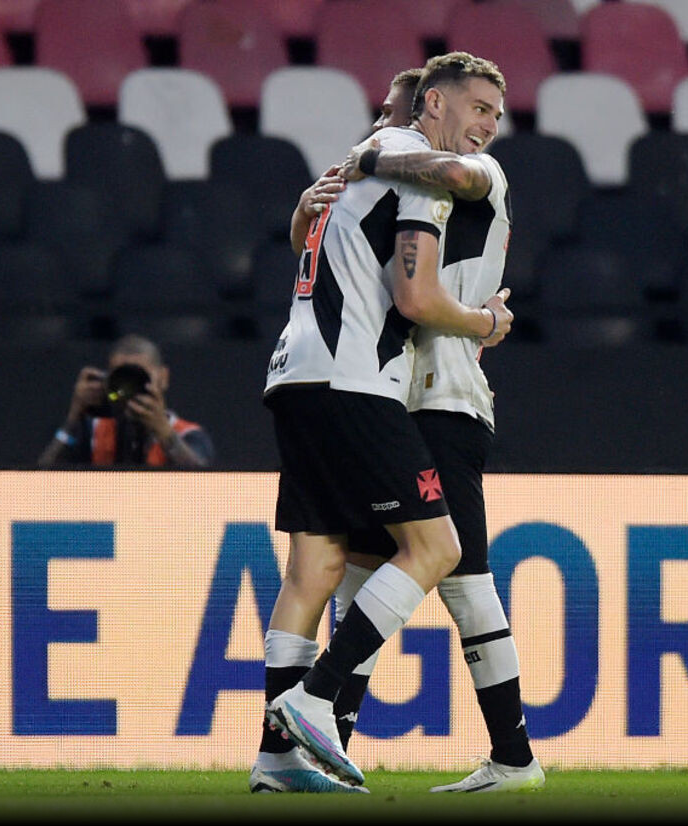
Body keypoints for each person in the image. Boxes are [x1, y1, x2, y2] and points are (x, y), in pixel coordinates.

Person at [255, 52, 514, 793]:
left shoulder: (342, 176)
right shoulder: (411, 165)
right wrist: (485, 322)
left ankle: (276, 758)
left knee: (314, 570)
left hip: (292, 370)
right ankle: (315, 697)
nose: (486, 128)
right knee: (436, 547)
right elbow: (416, 297)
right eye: (477, 110)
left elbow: (312, 243)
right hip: (356, 381)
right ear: (428, 107)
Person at [36, 334, 215, 468]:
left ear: (163, 378)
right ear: (108, 381)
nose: (131, 386)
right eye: (122, 377)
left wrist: (165, 433)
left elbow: (203, 487)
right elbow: (40, 482)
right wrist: (73, 418)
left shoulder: (188, 434)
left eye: (139, 376)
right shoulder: (93, 432)